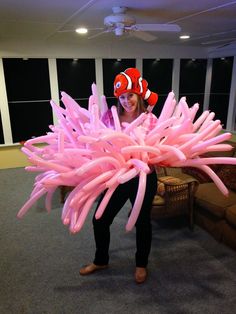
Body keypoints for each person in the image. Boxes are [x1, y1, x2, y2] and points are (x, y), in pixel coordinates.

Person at [79, 68, 159, 284]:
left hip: (144, 177)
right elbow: (100, 142)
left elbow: (158, 148)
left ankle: (141, 264)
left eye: (130, 95)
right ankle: (101, 260)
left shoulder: (149, 119)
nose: (126, 101)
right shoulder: (109, 116)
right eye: (122, 97)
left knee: (142, 222)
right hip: (117, 176)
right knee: (100, 219)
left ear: (138, 95)